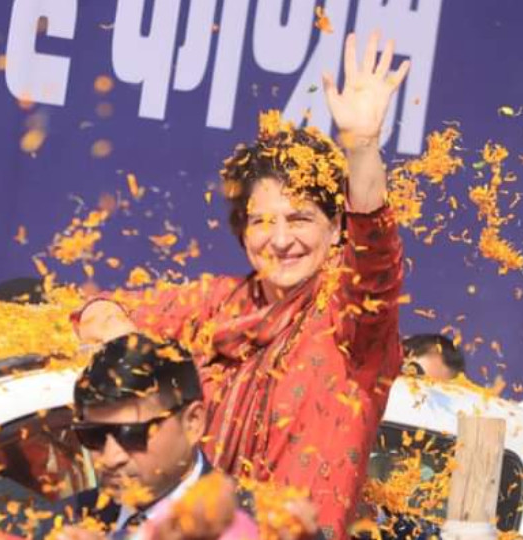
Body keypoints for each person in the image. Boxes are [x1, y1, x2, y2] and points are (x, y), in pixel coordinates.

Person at [75, 30, 408, 540]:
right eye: (261, 222)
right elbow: (95, 309)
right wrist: (122, 338)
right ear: (242, 230)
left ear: (337, 228)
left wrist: (362, 148)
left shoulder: (351, 321)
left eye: (300, 218)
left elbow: (378, 259)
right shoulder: (218, 302)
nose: (281, 240)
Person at [52, 333, 260, 540]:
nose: (111, 458)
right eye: (93, 435)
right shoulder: (57, 525)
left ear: (192, 423)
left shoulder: (261, 525)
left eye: (132, 434)